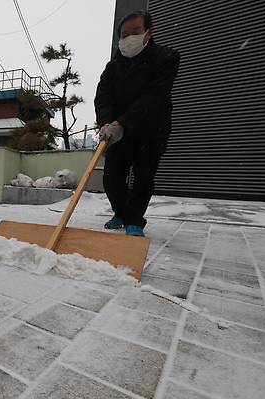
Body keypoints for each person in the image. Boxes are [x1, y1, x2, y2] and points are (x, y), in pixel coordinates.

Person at [94, 10, 180, 237]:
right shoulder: (114, 65)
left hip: (151, 130)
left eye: (135, 32)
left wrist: (123, 122)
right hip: (116, 130)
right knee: (112, 177)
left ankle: (134, 219)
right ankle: (120, 213)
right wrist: (105, 123)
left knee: (143, 176)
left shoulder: (166, 58)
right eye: (124, 34)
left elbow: (154, 95)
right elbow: (103, 96)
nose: (128, 37)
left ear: (148, 33)